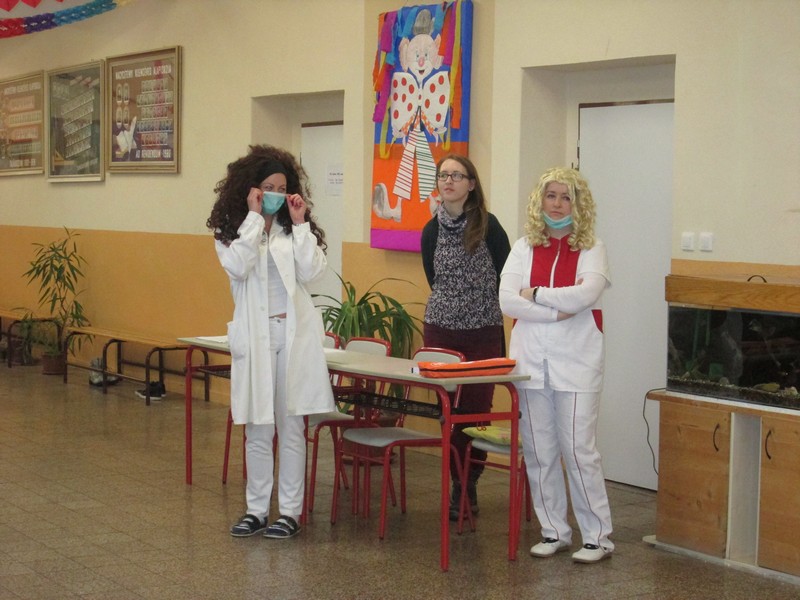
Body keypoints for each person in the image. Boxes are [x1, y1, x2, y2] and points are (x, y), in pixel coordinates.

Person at [207, 144, 335, 539]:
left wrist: (299, 223)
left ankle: (290, 512)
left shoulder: (293, 229)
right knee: (258, 427)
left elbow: (313, 272)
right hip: (256, 337)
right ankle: (256, 510)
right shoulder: (231, 230)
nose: (275, 194)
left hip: (293, 336)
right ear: (250, 189)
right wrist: (255, 219)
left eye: (282, 188)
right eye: (268, 188)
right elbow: (238, 266)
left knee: (291, 426)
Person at [499, 167, 614, 563]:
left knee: (579, 451)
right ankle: (554, 531)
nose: (558, 204)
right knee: (539, 450)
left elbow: (585, 295)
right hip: (531, 361)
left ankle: (597, 536)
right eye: (552, 196)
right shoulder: (523, 247)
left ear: (578, 204)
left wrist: (535, 294)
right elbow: (507, 300)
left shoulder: (593, 247)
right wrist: (554, 310)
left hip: (577, 362)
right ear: (540, 200)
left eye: (567, 197)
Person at [421, 153, 511, 521]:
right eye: (443, 175)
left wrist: (476, 307)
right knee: (449, 412)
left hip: (482, 332)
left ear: (471, 184)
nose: (448, 181)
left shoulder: (489, 226)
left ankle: (468, 481)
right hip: (441, 331)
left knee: (475, 412)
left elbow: (507, 276)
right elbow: (434, 279)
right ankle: (456, 480)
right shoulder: (431, 230)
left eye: (457, 176)